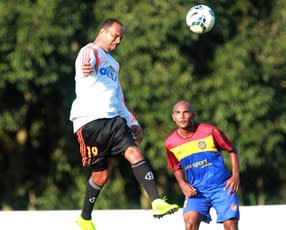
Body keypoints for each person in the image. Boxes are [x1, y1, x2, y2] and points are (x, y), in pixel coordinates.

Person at [70, 18, 178, 230]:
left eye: (121, 38)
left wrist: (133, 122)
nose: (118, 40)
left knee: (135, 153)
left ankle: (156, 202)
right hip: (89, 122)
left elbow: (119, 99)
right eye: (115, 35)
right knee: (101, 175)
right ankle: (84, 217)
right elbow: (87, 58)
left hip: (114, 121)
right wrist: (88, 64)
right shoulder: (89, 51)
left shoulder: (114, 65)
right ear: (103, 32)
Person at [164, 100, 240, 230]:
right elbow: (176, 167)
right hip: (197, 191)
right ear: (173, 117)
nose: (181, 116)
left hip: (222, 187)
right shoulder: (170, 143)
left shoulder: (210, 131)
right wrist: (182, 183)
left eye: (185, 112)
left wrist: (235, 175)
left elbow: (231, 149)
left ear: (193, 115)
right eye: (178, 113)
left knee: (231, 226)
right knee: (190, 223)